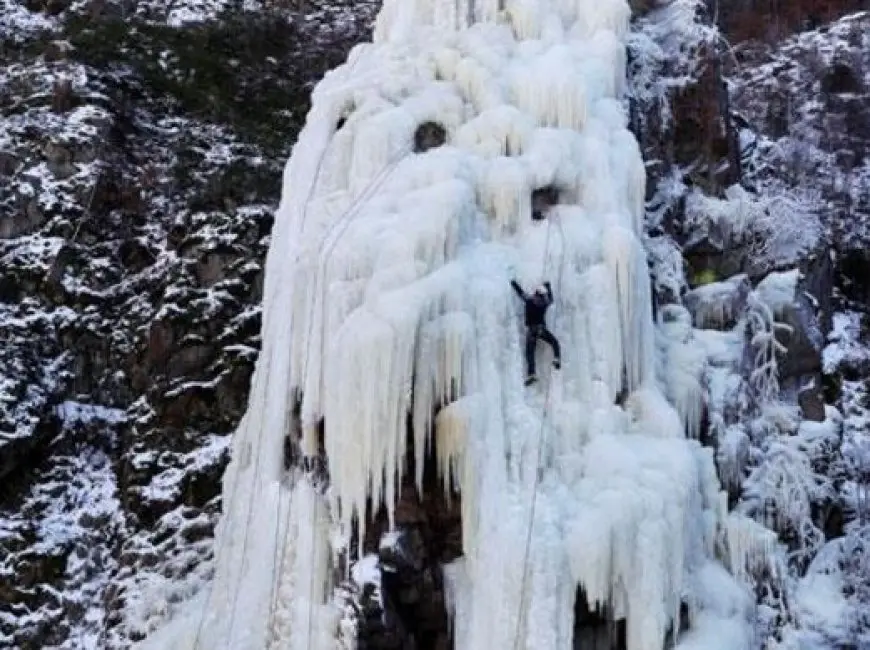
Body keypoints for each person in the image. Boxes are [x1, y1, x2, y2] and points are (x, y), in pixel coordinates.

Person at [510, 279, 561, 386]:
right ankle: (557, 359)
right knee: (554, 342)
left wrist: (514, 284)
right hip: (541, 329)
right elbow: (551, 300)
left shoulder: (529, 301)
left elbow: (521, 293)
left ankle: (532, 374)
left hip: (531, 331)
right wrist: (548, 286)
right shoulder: (543, 303)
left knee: (530, 353)